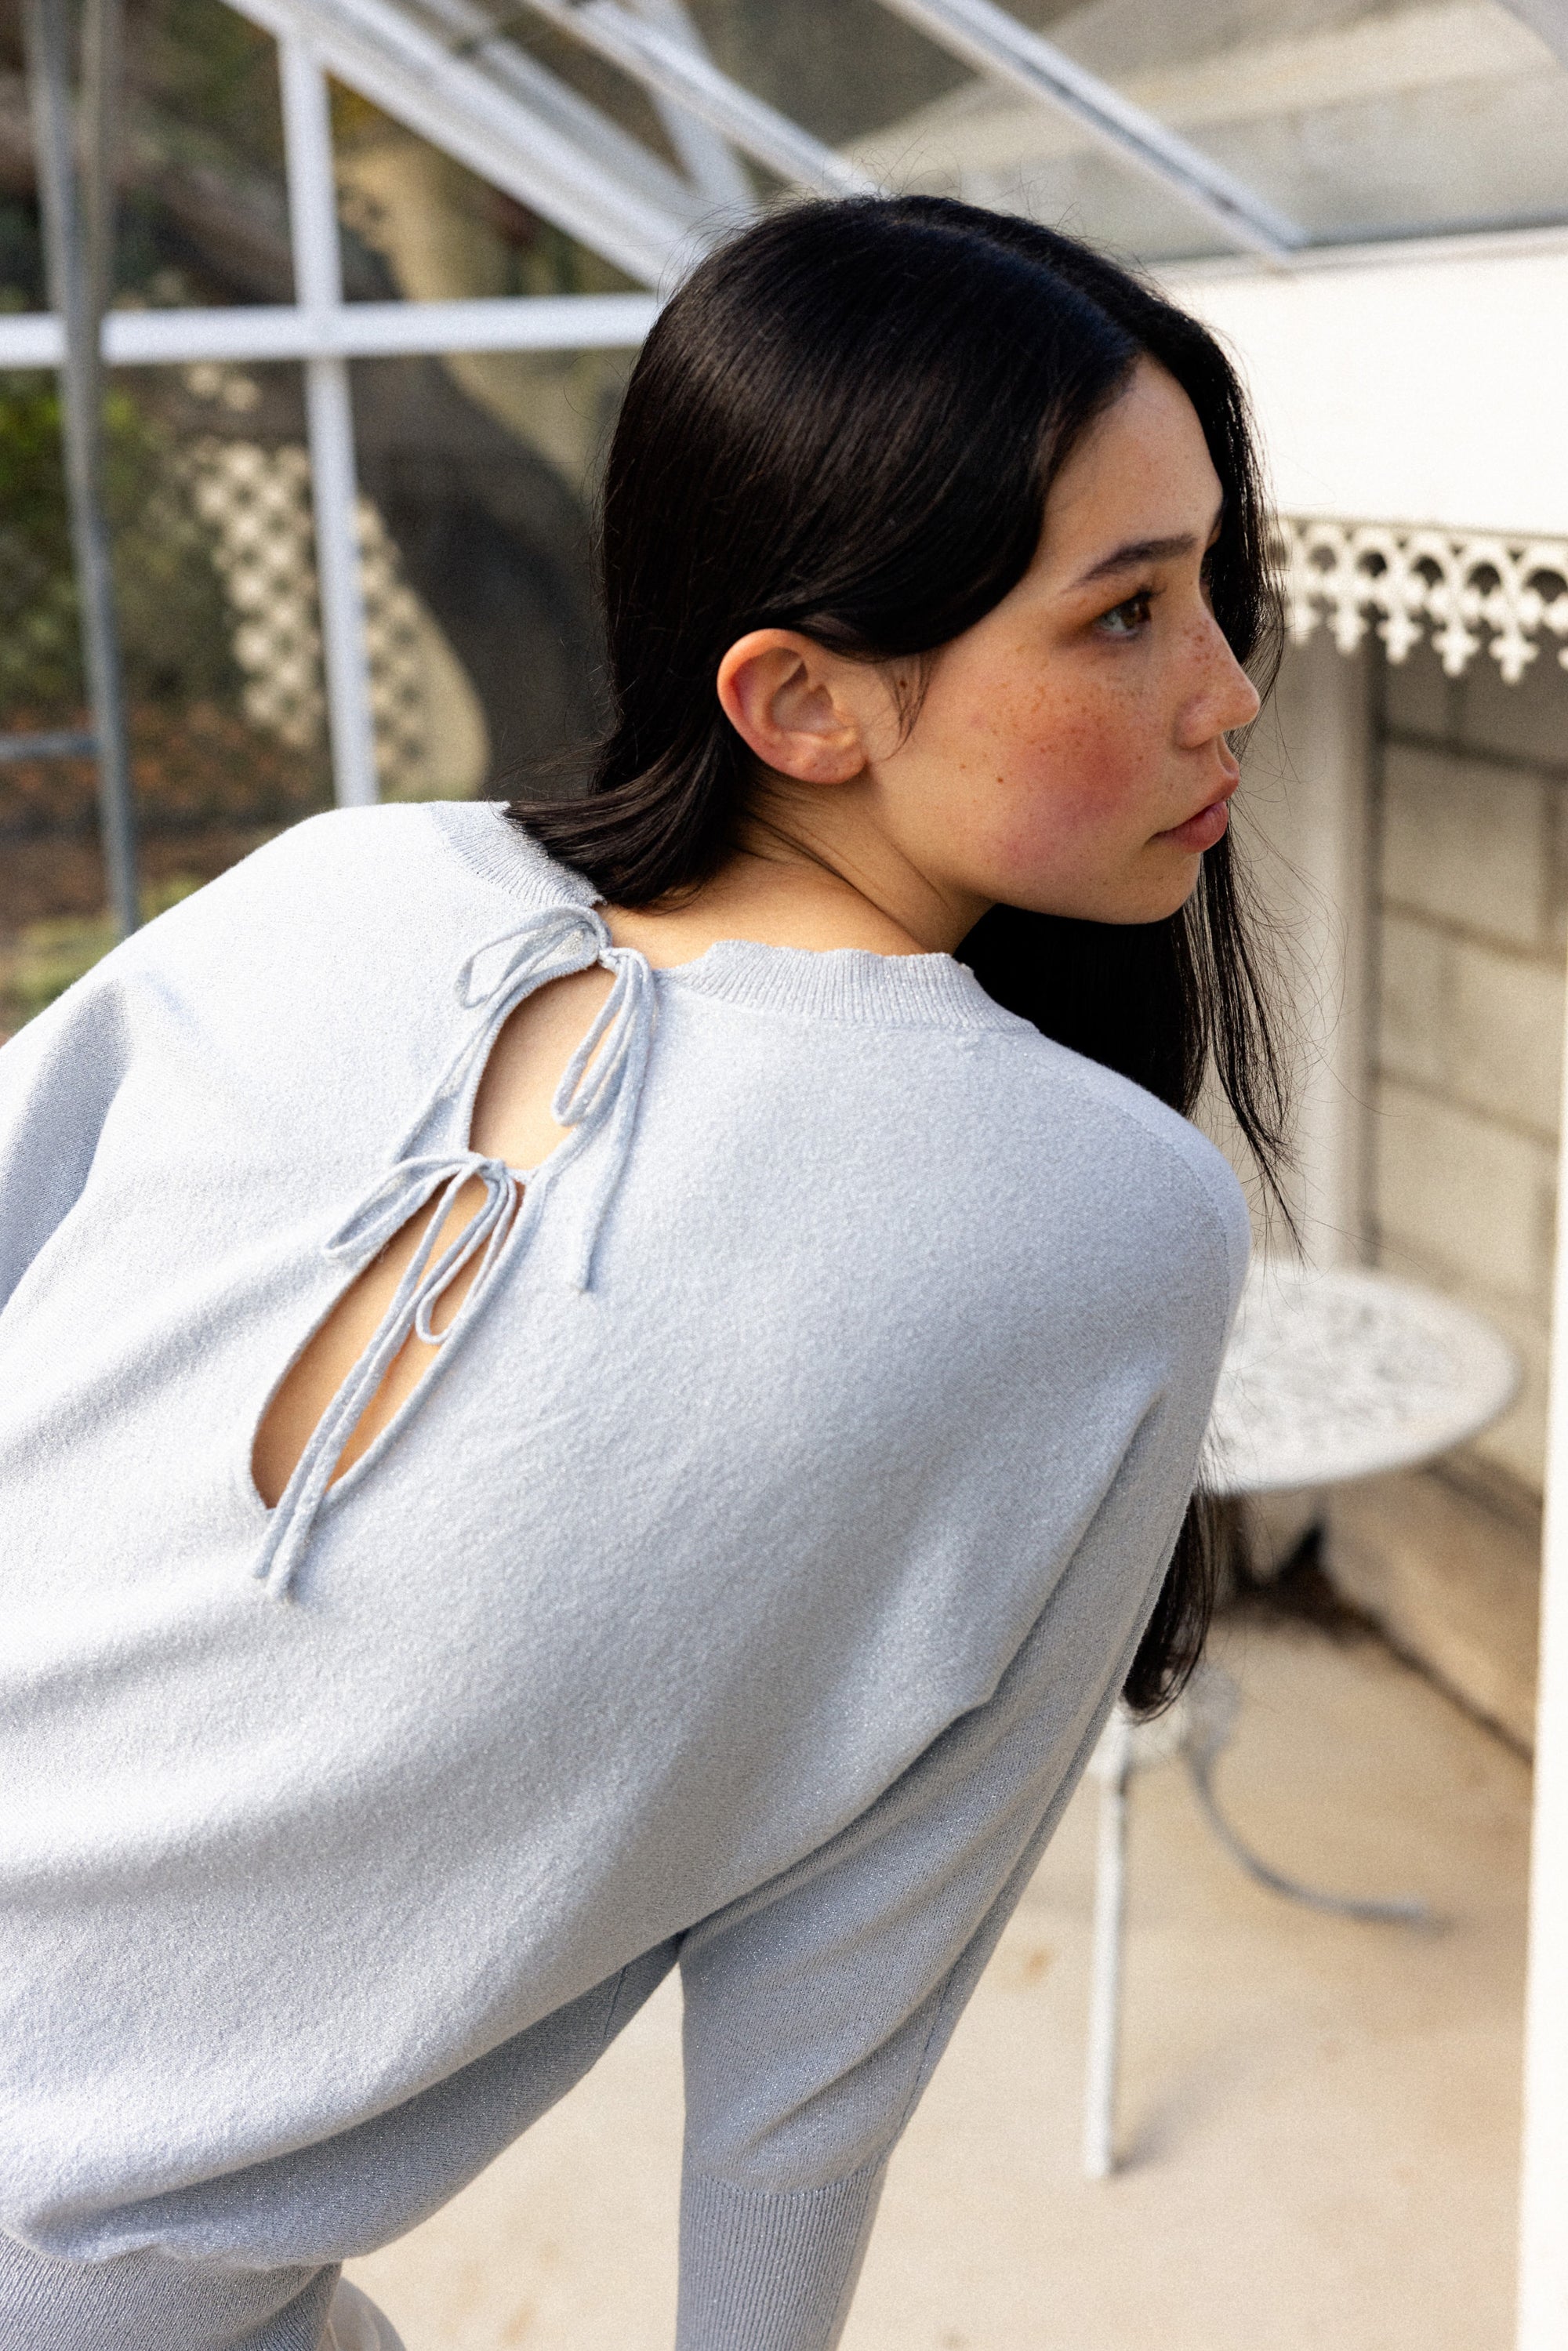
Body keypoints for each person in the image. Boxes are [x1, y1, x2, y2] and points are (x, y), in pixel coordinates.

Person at [0, 196, 1287, 2351]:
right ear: (799, 699)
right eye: (1127, 616)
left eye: (1211, 587)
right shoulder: (1122, 1222)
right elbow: (824, 2053)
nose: (1229, 694)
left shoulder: (325, 885)